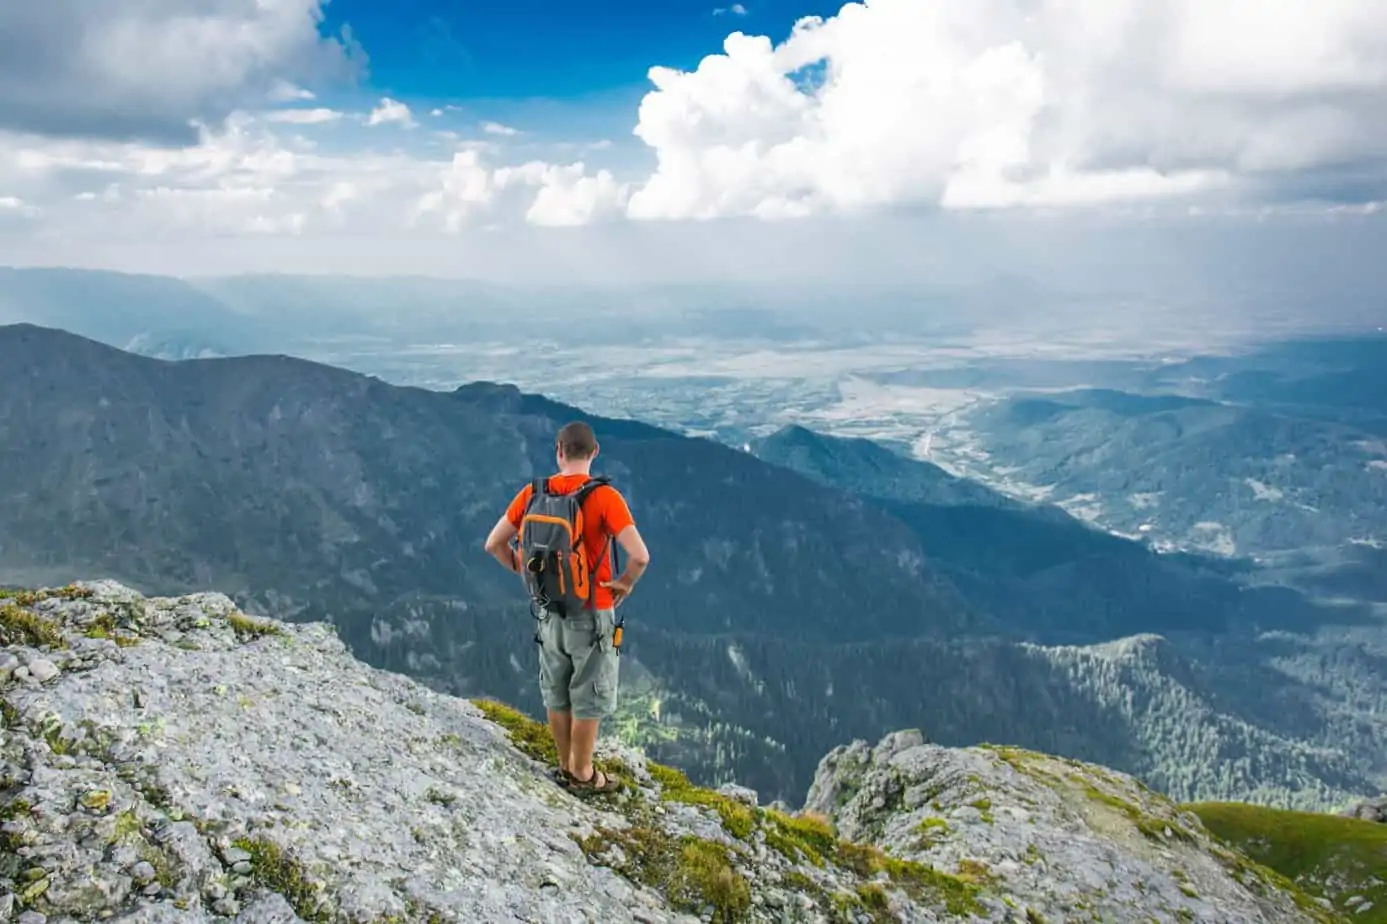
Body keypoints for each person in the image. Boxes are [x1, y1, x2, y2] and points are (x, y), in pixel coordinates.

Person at [483, 420, 650, 794]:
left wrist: (527, 576)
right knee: (588, 693)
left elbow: (494, 544)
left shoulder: (532, 493)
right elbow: (639, 556)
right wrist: (625, 583)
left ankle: (564, 764)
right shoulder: (605, 497)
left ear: (558, 451)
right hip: (591, 613)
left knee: (557, 690)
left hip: (547, 612)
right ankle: (583, 773)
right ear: (594, 453)